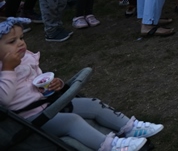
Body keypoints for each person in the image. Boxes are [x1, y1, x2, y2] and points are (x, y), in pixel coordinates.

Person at [0, 17, 163, 151]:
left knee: (93, 104)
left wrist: (55, 84)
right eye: (12, 41)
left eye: (21, 38)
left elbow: (37, 82)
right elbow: (4, 100)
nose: (20, 43)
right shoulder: (4, 69)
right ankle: (110, 146)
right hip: (31, 118)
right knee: (72, 121)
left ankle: (130, 127)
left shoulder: (26, 58)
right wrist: (8, 69)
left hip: (49, 103)